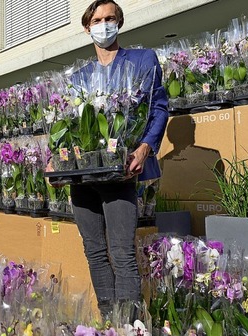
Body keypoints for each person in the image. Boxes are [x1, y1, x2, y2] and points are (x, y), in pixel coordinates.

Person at [71, 0, 169, 317]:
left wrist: (144, 147)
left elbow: (158, 108)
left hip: (122, 171)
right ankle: (107, 317)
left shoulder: (143, 61)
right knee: (95, 252)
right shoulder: (78, 77)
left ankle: (129, 321)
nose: (104, 25)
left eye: (110, 18)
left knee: (123, 250)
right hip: (84, 177)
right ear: (87, 28)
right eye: (97, 20)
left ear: (119, 22)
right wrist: (61, 157)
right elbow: (70, 126)